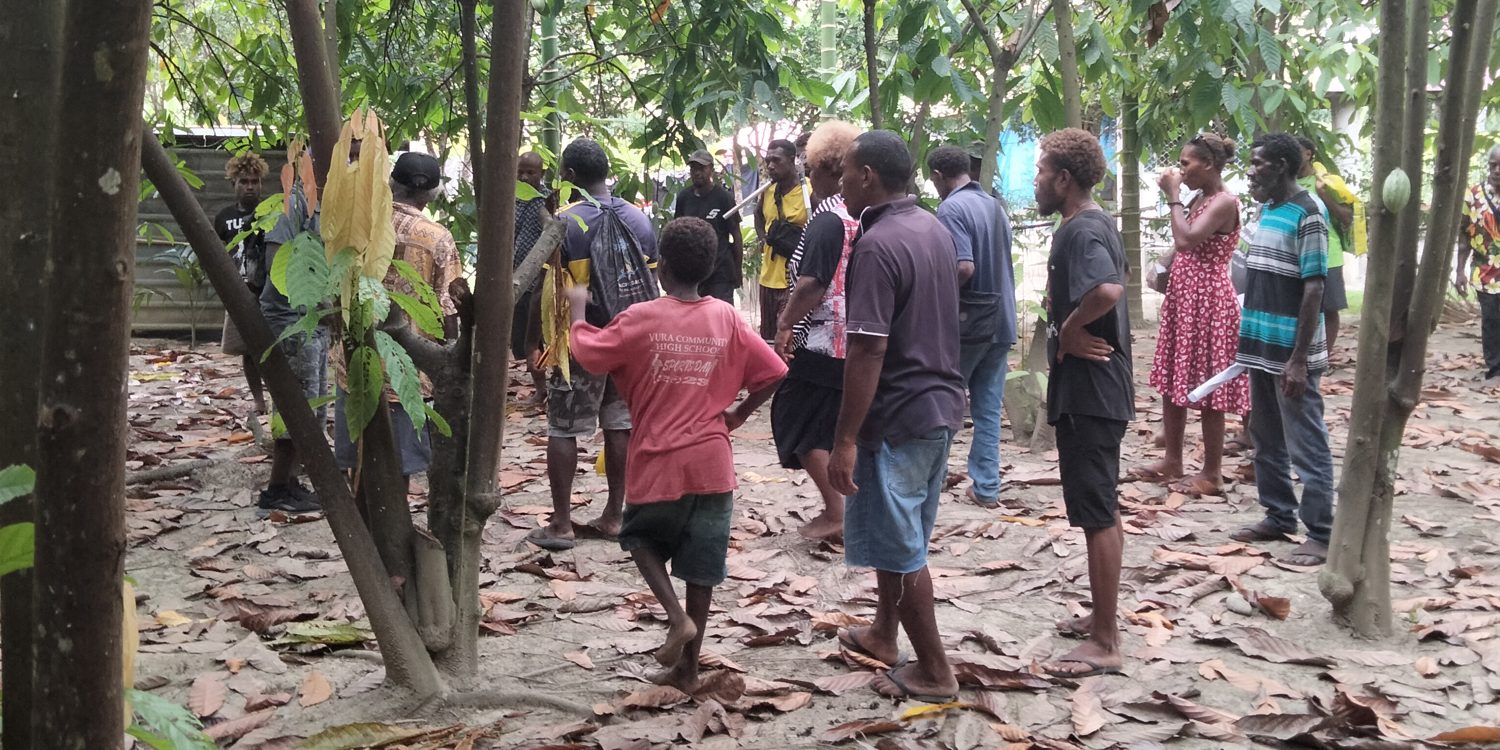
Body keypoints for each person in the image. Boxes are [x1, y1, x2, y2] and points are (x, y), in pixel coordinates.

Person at [565, 217, 786, 692]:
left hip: (659, 458)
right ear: (708, 269)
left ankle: (673, 615)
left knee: (640, 539)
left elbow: (588, 352)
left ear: (661, 267)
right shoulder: (726, 318)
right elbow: (774, 372)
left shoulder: (641, 318)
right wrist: (738, 416)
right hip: (713, 463)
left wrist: (577, 313)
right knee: (700, 569)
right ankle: (688, 669)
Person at [827, 130, 965, 703]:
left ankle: (935, 669)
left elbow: (868, 348)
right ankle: (885, 633)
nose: (839, 184)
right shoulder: (931, 226)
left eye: (846, 173)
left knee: (903, 544)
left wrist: (845, 438)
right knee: (900, 535)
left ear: (867, 177)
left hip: (898, 412)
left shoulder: (877, 246)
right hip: (937, 405)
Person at [1033, 128, 1133, 679]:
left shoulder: (1083, 231)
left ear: (1064, 179)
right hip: (1092, 390)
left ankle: (1106, 639)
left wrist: (1070, 330)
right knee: (1101, 505)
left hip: (1093, 391)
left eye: (1042, 171)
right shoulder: (1084, 225)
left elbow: (1108, 290)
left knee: (1098, 512)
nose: (1036, 179)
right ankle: (1102, 615)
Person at [530, 138, 659, 550]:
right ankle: (614, 515)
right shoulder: (639, 221)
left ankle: (563, 523)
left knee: (563, 428)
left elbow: (549, 292)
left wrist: (534, 341)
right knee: (619, 423)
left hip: (580, 342)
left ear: (568, 176)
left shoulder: (565, 223)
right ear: (606, 173)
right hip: (629, 343)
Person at [331, 152, 461, 509]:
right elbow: (448, 308)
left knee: (358, 455)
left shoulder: (363, 226)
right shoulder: (438, 238)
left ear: (393, 183)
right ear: (433, 192)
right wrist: (453, 360)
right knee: (398, 468)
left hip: (355, 360)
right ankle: (391, 532)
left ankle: (363, 530)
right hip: (407, 369)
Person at [1228, 133, 1333, 568]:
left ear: (1284, 167)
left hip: (1291, 353)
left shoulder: (1309, 213)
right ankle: (1278, 515)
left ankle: (1323, 533)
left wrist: (1298, 359)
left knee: (1306, 441)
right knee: (1266, 437)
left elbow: (1314, 287)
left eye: (1259, 164)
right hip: (1260, 346)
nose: (1251, 172)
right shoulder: (1267, 210)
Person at [1133, 133, 1247, 496]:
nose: (1180, 171)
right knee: (1172, 379)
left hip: (1210, 305)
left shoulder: (1225, 202)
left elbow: (1188, 239)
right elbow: (1179, 247)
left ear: (1209, 165)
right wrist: (1162, 266)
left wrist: (1172, 198)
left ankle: (1211, 472)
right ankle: (1173, 460)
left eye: (1186, 164)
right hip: (1185, 302)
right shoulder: (1202, 198)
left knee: (1208, 386)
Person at [769, 120, 861, 541]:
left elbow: (812, 283)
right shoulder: (857, 213)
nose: (808, 176)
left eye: (811, 168)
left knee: (796, 421)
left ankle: (837, 510)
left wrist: (786, 324)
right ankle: (846, 508)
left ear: (829, 170)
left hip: (822, 340)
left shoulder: (829, 218)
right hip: (848, 340)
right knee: (827, 424)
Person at [927, 144, 1017, 509]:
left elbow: (964, 266)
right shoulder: (994, 205)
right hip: (1002, 320)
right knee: (987, 409)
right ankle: (986, 487)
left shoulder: (951, 208)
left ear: (937, 177)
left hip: (969, 324)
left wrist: (932, 294)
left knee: (945, 402)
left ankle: (930, 480)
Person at [258, 147, 330, 518]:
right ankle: (275, 490)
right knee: (295, 407)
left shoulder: (335, 204)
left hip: (317, 321)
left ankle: (291, 483)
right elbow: (277, 265)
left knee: (314, 408)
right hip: (292, 319)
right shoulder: (296, 202)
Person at [216, 152, 272, 415]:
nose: (250, 186)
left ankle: (280, 397)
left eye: (254, 181)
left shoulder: (270, 214)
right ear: (233, 185)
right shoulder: (224, 218)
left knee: (273, 349)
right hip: (238, 293)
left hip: (268, 292)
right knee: (248, 351)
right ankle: (258, 399)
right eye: (244, 182)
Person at [1296, 137, 1355, 357]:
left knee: (1329, 308)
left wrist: (1324, 196)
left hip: (1329, 254)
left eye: (1297, 151)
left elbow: (1347, 217)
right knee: (1302, 307)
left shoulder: (1328, 182)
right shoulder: (1286, 182)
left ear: (1309, 154)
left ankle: (1325, 357)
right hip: (1298, 255)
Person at [754, 139, 810, 342]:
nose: (770, 166)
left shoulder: (809, 193)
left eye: (776, 160)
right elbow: (758, 215)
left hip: (793, 279)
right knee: (767, 338)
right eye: (768, 160)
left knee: (786, 337)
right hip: (768, 278)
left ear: (792, 160)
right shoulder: (767, 191)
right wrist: (762, 238)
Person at [1455, 143, 1500, 385]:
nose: (1497, 171)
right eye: (1493, 165)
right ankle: (1494, 369)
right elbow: (1464, 234)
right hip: (1485, 271)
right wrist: (1459, 270)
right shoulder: (1473, 195)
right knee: (1491, 318)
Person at [673, 150, 741, 304]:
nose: (697, 173)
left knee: (720, 318)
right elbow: (677, 233)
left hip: (720, 272)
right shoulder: (684, 198)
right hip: (691, 274)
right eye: (693, 169)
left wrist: (737, 271)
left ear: (711, 168)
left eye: (701, 168)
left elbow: (736, 234)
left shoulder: (724, 198)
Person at [514, 151, 551, 407]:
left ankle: (545, 390)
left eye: (531, 173)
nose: (525, 177)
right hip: (517, 280)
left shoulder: (547, 201)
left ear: (542, 174)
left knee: (540, 339)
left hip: (541, 280)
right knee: (523, 340)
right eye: (521, 172)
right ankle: (540, 388)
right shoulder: (511, 198)